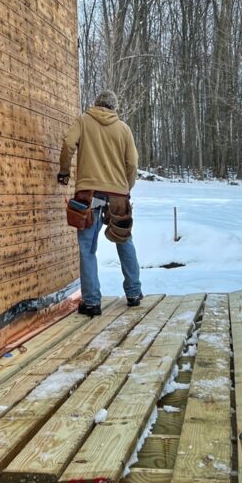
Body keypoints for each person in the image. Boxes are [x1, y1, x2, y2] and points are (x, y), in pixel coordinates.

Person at [57, 90, 142, 316]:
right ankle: (134, 293)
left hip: (89, 195)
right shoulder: (123, 129)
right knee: (124, 241)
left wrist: (64, 172)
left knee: (87, 248)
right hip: (117, 195)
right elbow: (132, 163)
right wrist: (126, 188)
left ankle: (92, 302)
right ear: (114, 108)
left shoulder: (84, 121)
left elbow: (67, 144)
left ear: (96, 105)